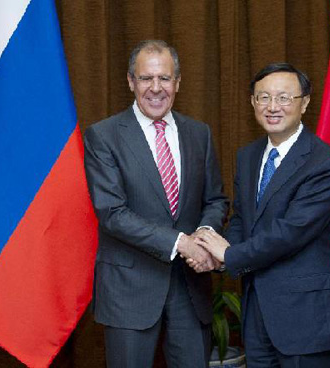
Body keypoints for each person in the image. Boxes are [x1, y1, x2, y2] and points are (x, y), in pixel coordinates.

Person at [83, 40, 229, 367]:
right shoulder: (103, 136)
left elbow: (216, 199)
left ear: (178, 82)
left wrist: (204, 238)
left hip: (190, 291)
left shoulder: (199, 134)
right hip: (129, 291)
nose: (155, 88)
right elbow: (112, 213)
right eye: (146, 78)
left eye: (164, 78)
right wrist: (181, 243)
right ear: (131, 82)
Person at [194, 63, 330, 367]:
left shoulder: (325, 163)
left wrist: (229, 254)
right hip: (257, 316)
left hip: (306, 318)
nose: (272, 107)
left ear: (304, 103)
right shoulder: (248, 156)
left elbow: (291, 232)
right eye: (263, 97)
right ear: (252, 102)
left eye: (283, 98)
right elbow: (241, 218)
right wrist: (216, 252)